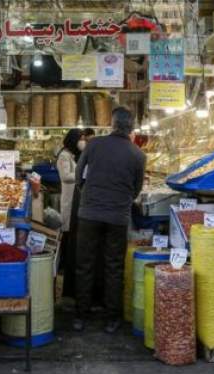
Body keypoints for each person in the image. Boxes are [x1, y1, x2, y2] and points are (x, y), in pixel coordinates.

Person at [74, 107, 146, 334]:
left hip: (89, 214)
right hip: (118, 216)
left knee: (85, 264)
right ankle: (112, 319)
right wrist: (123, 200)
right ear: (131, 128)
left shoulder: (93, 144)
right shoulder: (138, 154)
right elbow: (137, 188)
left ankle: (80, 316)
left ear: (112, 123)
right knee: (114, 267)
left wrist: (87, 193)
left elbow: (78, 174)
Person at [57, 129, 82, 298]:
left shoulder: (71, 155)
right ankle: (63, 267)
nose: (82, 141)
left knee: (71, 231)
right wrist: (81, 173)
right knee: (66, 232)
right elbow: (65, 176)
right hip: (69, 198)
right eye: (80, 138)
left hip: (75, 198)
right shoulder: (64, 156)